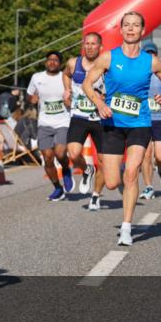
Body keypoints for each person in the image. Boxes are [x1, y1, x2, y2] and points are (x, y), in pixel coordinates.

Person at [82, 11, 161, 247]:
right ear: (121, 30)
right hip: (113, 124)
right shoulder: (108, 58)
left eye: (136, 25)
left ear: (142, 31)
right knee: (113, 182)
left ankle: (126, 227)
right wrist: (100, 103)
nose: (131, 29)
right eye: (127, 25)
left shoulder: (150, 61)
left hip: (140, 124)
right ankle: (110, 177)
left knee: (132, 172)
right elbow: (86, 83)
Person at [62, 32, 107, 210]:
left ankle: (95, 195)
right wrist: (67, 90)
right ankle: (87, 169)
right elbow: (65, 74)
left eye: (93, 44)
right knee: (73, 154)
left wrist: (105, 96)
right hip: (79, 115)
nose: (89, 47)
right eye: (86, 43)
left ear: (100, 47)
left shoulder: (107, 66)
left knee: (103, 160)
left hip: (100, 119)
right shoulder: (74, 63)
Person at [28, 51, 74, 201]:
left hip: (63, 122)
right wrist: (32, 99)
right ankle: (57, 188)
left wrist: (70, 100)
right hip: (44, 123)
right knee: (48, 158)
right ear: (46, 62)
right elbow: (30, 94)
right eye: (49, 60)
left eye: (55, 60)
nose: (52, 62)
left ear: (60, 64)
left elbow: (75, 94)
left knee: (60, 153)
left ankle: (66, 170)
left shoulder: (65, 78)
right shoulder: (37, 78)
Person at [138, 41, 161, 199]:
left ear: (156, 55)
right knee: (146, 154)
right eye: (147, 53)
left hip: (159, 118)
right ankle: (148, 187)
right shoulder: (138, 70)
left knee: (160, 156)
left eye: (153, 53)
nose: (150, 56)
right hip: (143, 118)